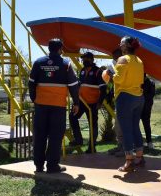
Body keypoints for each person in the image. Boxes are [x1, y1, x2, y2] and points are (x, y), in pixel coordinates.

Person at [29, 38, 79, 173]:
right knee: (55, 136)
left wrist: (35, 99)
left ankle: (39, 165)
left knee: (40, 135)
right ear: (60, 49)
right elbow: (73, 85)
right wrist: (76, 102)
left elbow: (31, 83)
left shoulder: (38, 62)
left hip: (41, 105)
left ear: (49, 48)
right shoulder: (66, 64)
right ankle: (52, 166)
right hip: (58, 106)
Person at [106, 36, 144, 172]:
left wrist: (110, 72)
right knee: (135, 128)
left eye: (121, 43)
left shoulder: (122, 60)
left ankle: (129, 161)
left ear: (127, 45)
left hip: (125, 97)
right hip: (139, 97)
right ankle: (140, 157)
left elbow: (119, 80)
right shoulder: (139, 60)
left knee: (126, 129)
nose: (120, 46)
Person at [69, 52, 107, 153]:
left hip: (93, 103)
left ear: (92, 59)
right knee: (72, 116)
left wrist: (99, 102)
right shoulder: (81, 71)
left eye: (86, 58)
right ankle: (78, 139)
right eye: (83, 59)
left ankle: (92, 147)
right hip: (81, 102)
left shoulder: (98, 71)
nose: (84, 60)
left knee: (92, 125)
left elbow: (103, 88)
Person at [106, 48, 125, 157]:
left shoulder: (124, 66)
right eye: (113, 58)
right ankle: (120, 146)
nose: (114, 59)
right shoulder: (118, 66)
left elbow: (121, 81)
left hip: (124, 99)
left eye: (116, 57)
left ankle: (125, 149)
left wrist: (112, 75)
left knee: (121, 126)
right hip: (119, 98)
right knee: (117, 126)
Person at [141, 73, 156, 149]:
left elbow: (151, 95)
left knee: (146, 124)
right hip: (138, 107)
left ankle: (149, 142)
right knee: (135, 125)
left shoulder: (151, 82)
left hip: (146, 108)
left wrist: (142, 95)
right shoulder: (137, 82)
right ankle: (139, 142)